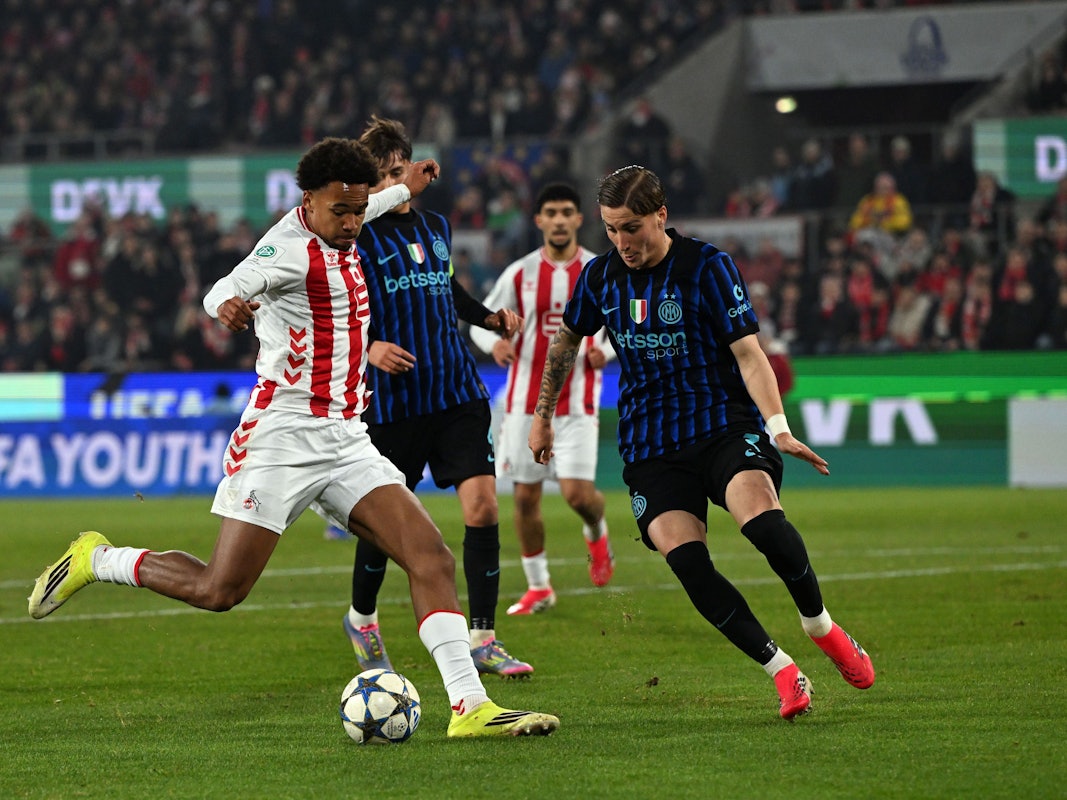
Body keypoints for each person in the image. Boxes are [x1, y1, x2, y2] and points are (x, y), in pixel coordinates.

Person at [27, 136, 558, 739]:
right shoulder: (285, 249)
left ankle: (470, 709)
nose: (354, 222)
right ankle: (98, 558)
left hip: (345, 436)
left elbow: (383, 200)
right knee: (219, 589)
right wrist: (226, 306)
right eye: (342, 211)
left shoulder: (354, 212)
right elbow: (221, 288)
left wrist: (409, 184)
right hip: (282, 437)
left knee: (430, 556)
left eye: (360, 209)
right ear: (309, 201)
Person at [527, 165, 875, 720]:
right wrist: (542, 414)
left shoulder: (708, 267)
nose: (622, 242)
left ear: (661, 215)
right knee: (688, 563)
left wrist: (778, 426)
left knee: (763, 525)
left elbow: (748, 353)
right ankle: (783, 671)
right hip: (650, 446)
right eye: (612, 229)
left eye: (633, 227)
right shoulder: (599, 278)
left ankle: (821, 627)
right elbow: (567, 337)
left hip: (720, 425)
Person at [320, 117, 535, 679]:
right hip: (393, 404)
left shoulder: (436, 226)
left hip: (456, 391)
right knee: (390, 529)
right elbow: (334, 310)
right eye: (384, 175)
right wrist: (369, 349)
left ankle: (483, 638)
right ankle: (362, 619)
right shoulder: (356, 237)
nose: (397, 182)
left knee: (484, 507)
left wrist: (488, 318)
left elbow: (448, 291)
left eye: (401, 170)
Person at [469, 183, 615, 616]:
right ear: (538, 220)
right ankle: (539, 587)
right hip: (522, 405)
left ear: (578, 219)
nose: (557, 219)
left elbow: (620, 326)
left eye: (566, 211)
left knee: (577, 496)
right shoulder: (519, 274)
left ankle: (597, 528)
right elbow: (482, 319)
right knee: (525, 498)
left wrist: (603, 352)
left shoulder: (598, 269)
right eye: (549, 212)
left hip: (578, 403)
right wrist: (492, 343)